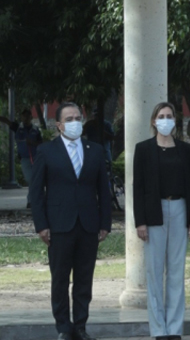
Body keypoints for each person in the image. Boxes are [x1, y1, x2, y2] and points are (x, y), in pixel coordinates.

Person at [29, 102, 112, 340]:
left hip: (88, 224)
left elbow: (103, 191)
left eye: (78, 117)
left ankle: (81, 326)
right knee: (60, 279)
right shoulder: (47, 151)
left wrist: (105, 223)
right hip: (58, 225)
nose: (75, 122)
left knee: (84, 279)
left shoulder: (94, 150)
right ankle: (64, 328)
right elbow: (36, 193)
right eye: (70, 119)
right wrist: (41, 225)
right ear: (59, 125)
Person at [133, 102, 190, 340]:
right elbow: (138, 187)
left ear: (175, 120)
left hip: (180, 208)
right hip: (154, 212)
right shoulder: (143, 149)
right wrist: (140, 222)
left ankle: (174, 328)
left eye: (169, 116)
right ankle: (158, 330)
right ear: (153, 121)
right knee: (154, 271)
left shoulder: (184, 149)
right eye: (161, 116)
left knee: (176, 271)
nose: (165, 119)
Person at [1, 112, 42, 187]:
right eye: (24, 117)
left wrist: (32, 142)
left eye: (27, 117)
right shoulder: (17, 127)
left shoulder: (35, 129)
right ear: (21, 118)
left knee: (37, 178)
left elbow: (41, 143)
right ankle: (34, 194)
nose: (26, 119)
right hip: (24, 158)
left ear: (31, 118)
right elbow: (6, 121)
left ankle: (35, 195)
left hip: (36, 158)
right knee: (29, 178)